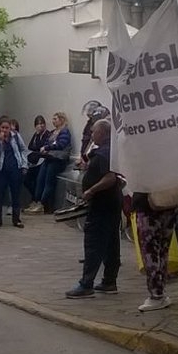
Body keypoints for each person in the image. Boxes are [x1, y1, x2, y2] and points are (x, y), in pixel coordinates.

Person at [65, 119, 124, 299]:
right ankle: (109, 281)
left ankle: (86, 283)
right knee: (111, 242)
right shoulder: (106, 151)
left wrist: (91, 190)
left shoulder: (105, 152)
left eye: (94, 132)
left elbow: (110, 178)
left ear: (103, 133)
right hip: (111, 203)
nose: (91, 135)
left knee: (94, 242)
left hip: (102, 204)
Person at [132, 192, 178, 312]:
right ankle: (160, 289)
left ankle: (156, 293)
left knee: (150, 251)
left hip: (148, 206)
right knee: (163, 249)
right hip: (170, 202)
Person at [29, 111, 72, 215]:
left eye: (55, 119)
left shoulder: (65, 132)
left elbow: (61, 144)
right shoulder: (53, 132)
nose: (53, 121)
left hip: (58, 159)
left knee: (49, 182)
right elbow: (46, 142)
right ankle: (37, 200)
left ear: (61, 120)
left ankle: (42, 204)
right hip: (49, 157)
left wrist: (48, 147)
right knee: (40, 179)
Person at [0, 118, 28, 229]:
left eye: (7, 128)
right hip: (1, 170)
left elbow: (23, 149)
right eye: (3, 128)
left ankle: (16, 219)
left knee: (16, 194)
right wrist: (1, 142)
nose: (5, 130)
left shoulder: (15, 136)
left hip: (15, 168)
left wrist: (24, 164)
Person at [24, 115, 52, 209]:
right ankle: (34, 197)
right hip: (34, 162)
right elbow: (30, 147)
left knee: (37, 180)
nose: (41, 126)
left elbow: (42, 148)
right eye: (38, 124)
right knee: (26, 180)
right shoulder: (36, 135)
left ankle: (36, 199)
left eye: (42, 124)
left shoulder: (47, 135)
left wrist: (37, 151)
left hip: (41, 161)